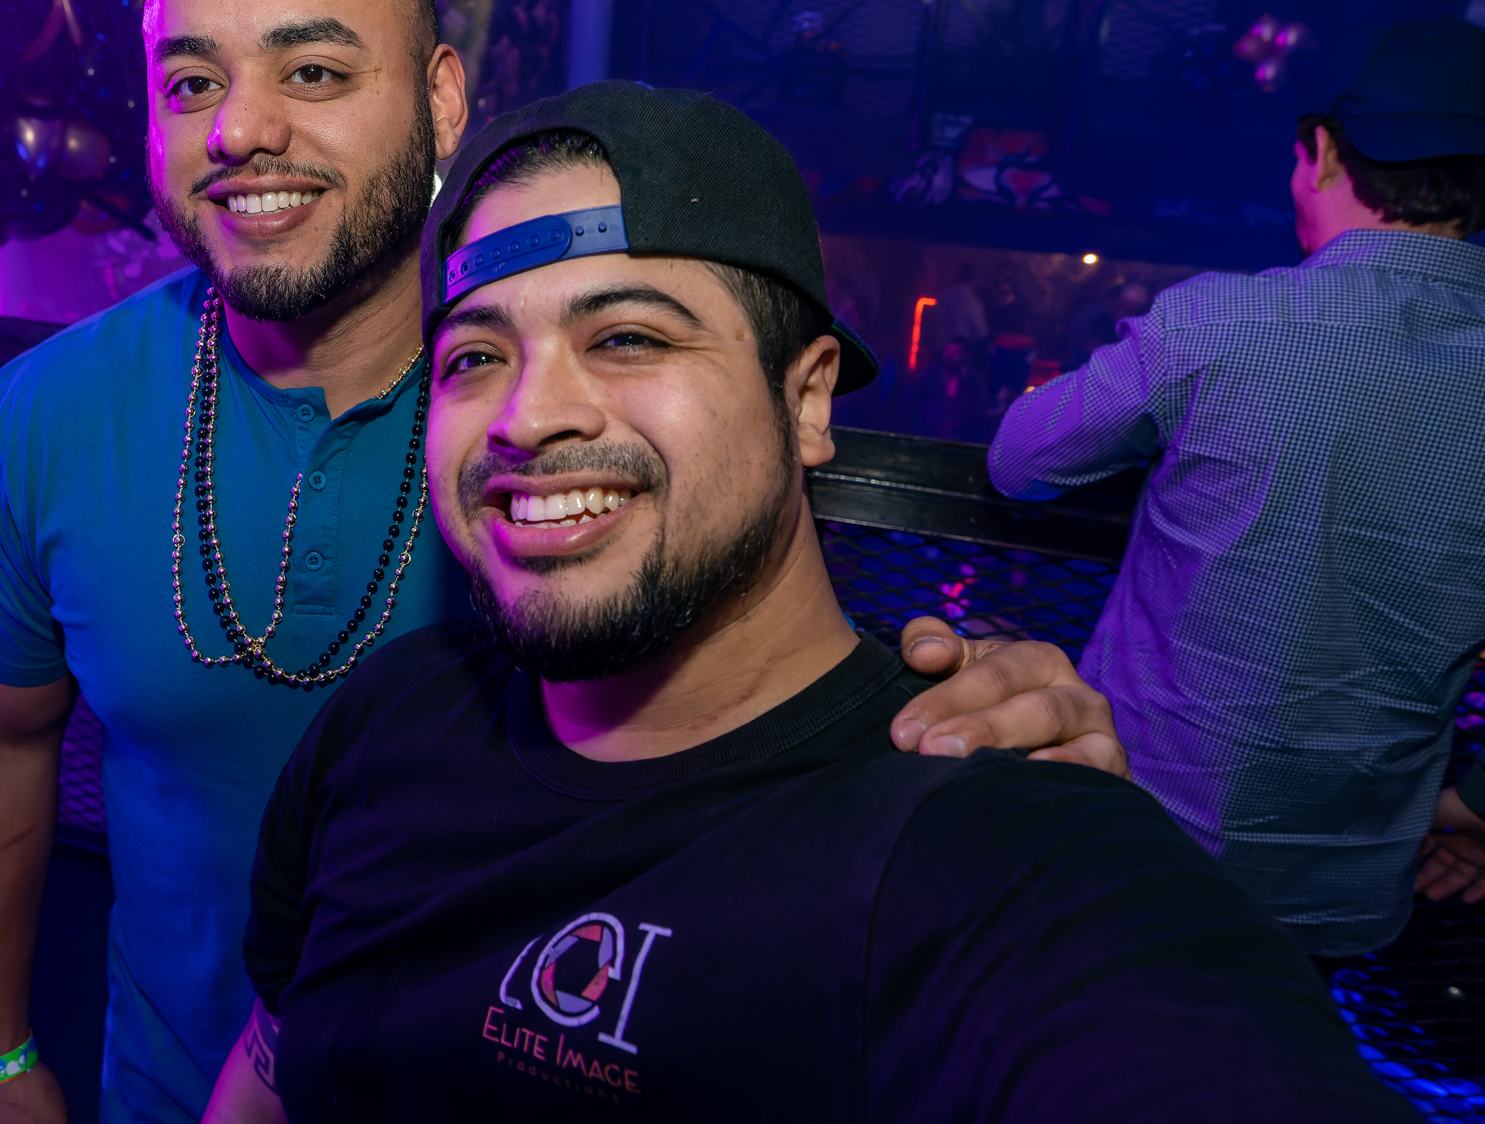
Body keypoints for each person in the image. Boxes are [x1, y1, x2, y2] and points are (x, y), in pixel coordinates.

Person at [0, 0, 1128, 1124]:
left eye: (315, 71)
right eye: (189, 83)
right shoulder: (52, 407)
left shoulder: (573, 444)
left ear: (440, 100)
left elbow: (761, 656)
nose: (240, 130)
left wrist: (966, 728)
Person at [201, 82, 1407, 1124]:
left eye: (627, 338)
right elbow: (270, 1070)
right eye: (475, 357)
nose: (527, 416)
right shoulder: (385, 720)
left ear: (808, 397)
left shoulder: (990, 843)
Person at [988, 18, 1485, 959]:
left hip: (1140, 853)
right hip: (1345, 893)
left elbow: (1021, 459)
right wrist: (1470, 805)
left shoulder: (1223, 322)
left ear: (1323, 152)